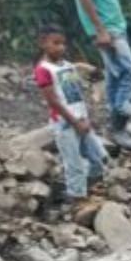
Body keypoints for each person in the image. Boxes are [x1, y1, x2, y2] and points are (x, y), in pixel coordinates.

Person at [34, 24, 109, 216]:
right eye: (55, 43)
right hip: (66, 124)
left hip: (81, 121)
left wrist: (85, 117)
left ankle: (90, 190)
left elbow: (74, 92)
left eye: (63, 44)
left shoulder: (66, 66)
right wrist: (76, 122)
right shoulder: (43, 70)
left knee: (99, 158)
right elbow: (54, 101)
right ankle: (77, 202)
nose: (61, 47)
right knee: (73, 163)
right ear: (43, 43)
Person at [69, 0, 131, 150]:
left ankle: (115, 126)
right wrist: (100, 30)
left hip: (114, 27)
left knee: (115, 76)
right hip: (108, 29)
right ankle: (118, 128)